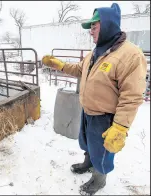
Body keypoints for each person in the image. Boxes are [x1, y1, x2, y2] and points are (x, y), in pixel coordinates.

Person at [42, 3, 147, 195]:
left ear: (107, 25)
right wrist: (60, 65)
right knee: (87, 144)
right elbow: (80, 70)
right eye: (90, 27)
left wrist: (121, 127)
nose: (90, 32)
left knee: (102, 152)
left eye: (94, 26)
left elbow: (131, 96)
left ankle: (99, 179)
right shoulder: (95, 51)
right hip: (88, 111)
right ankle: (88, 163)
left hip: (105, 117)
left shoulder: (131, 55)